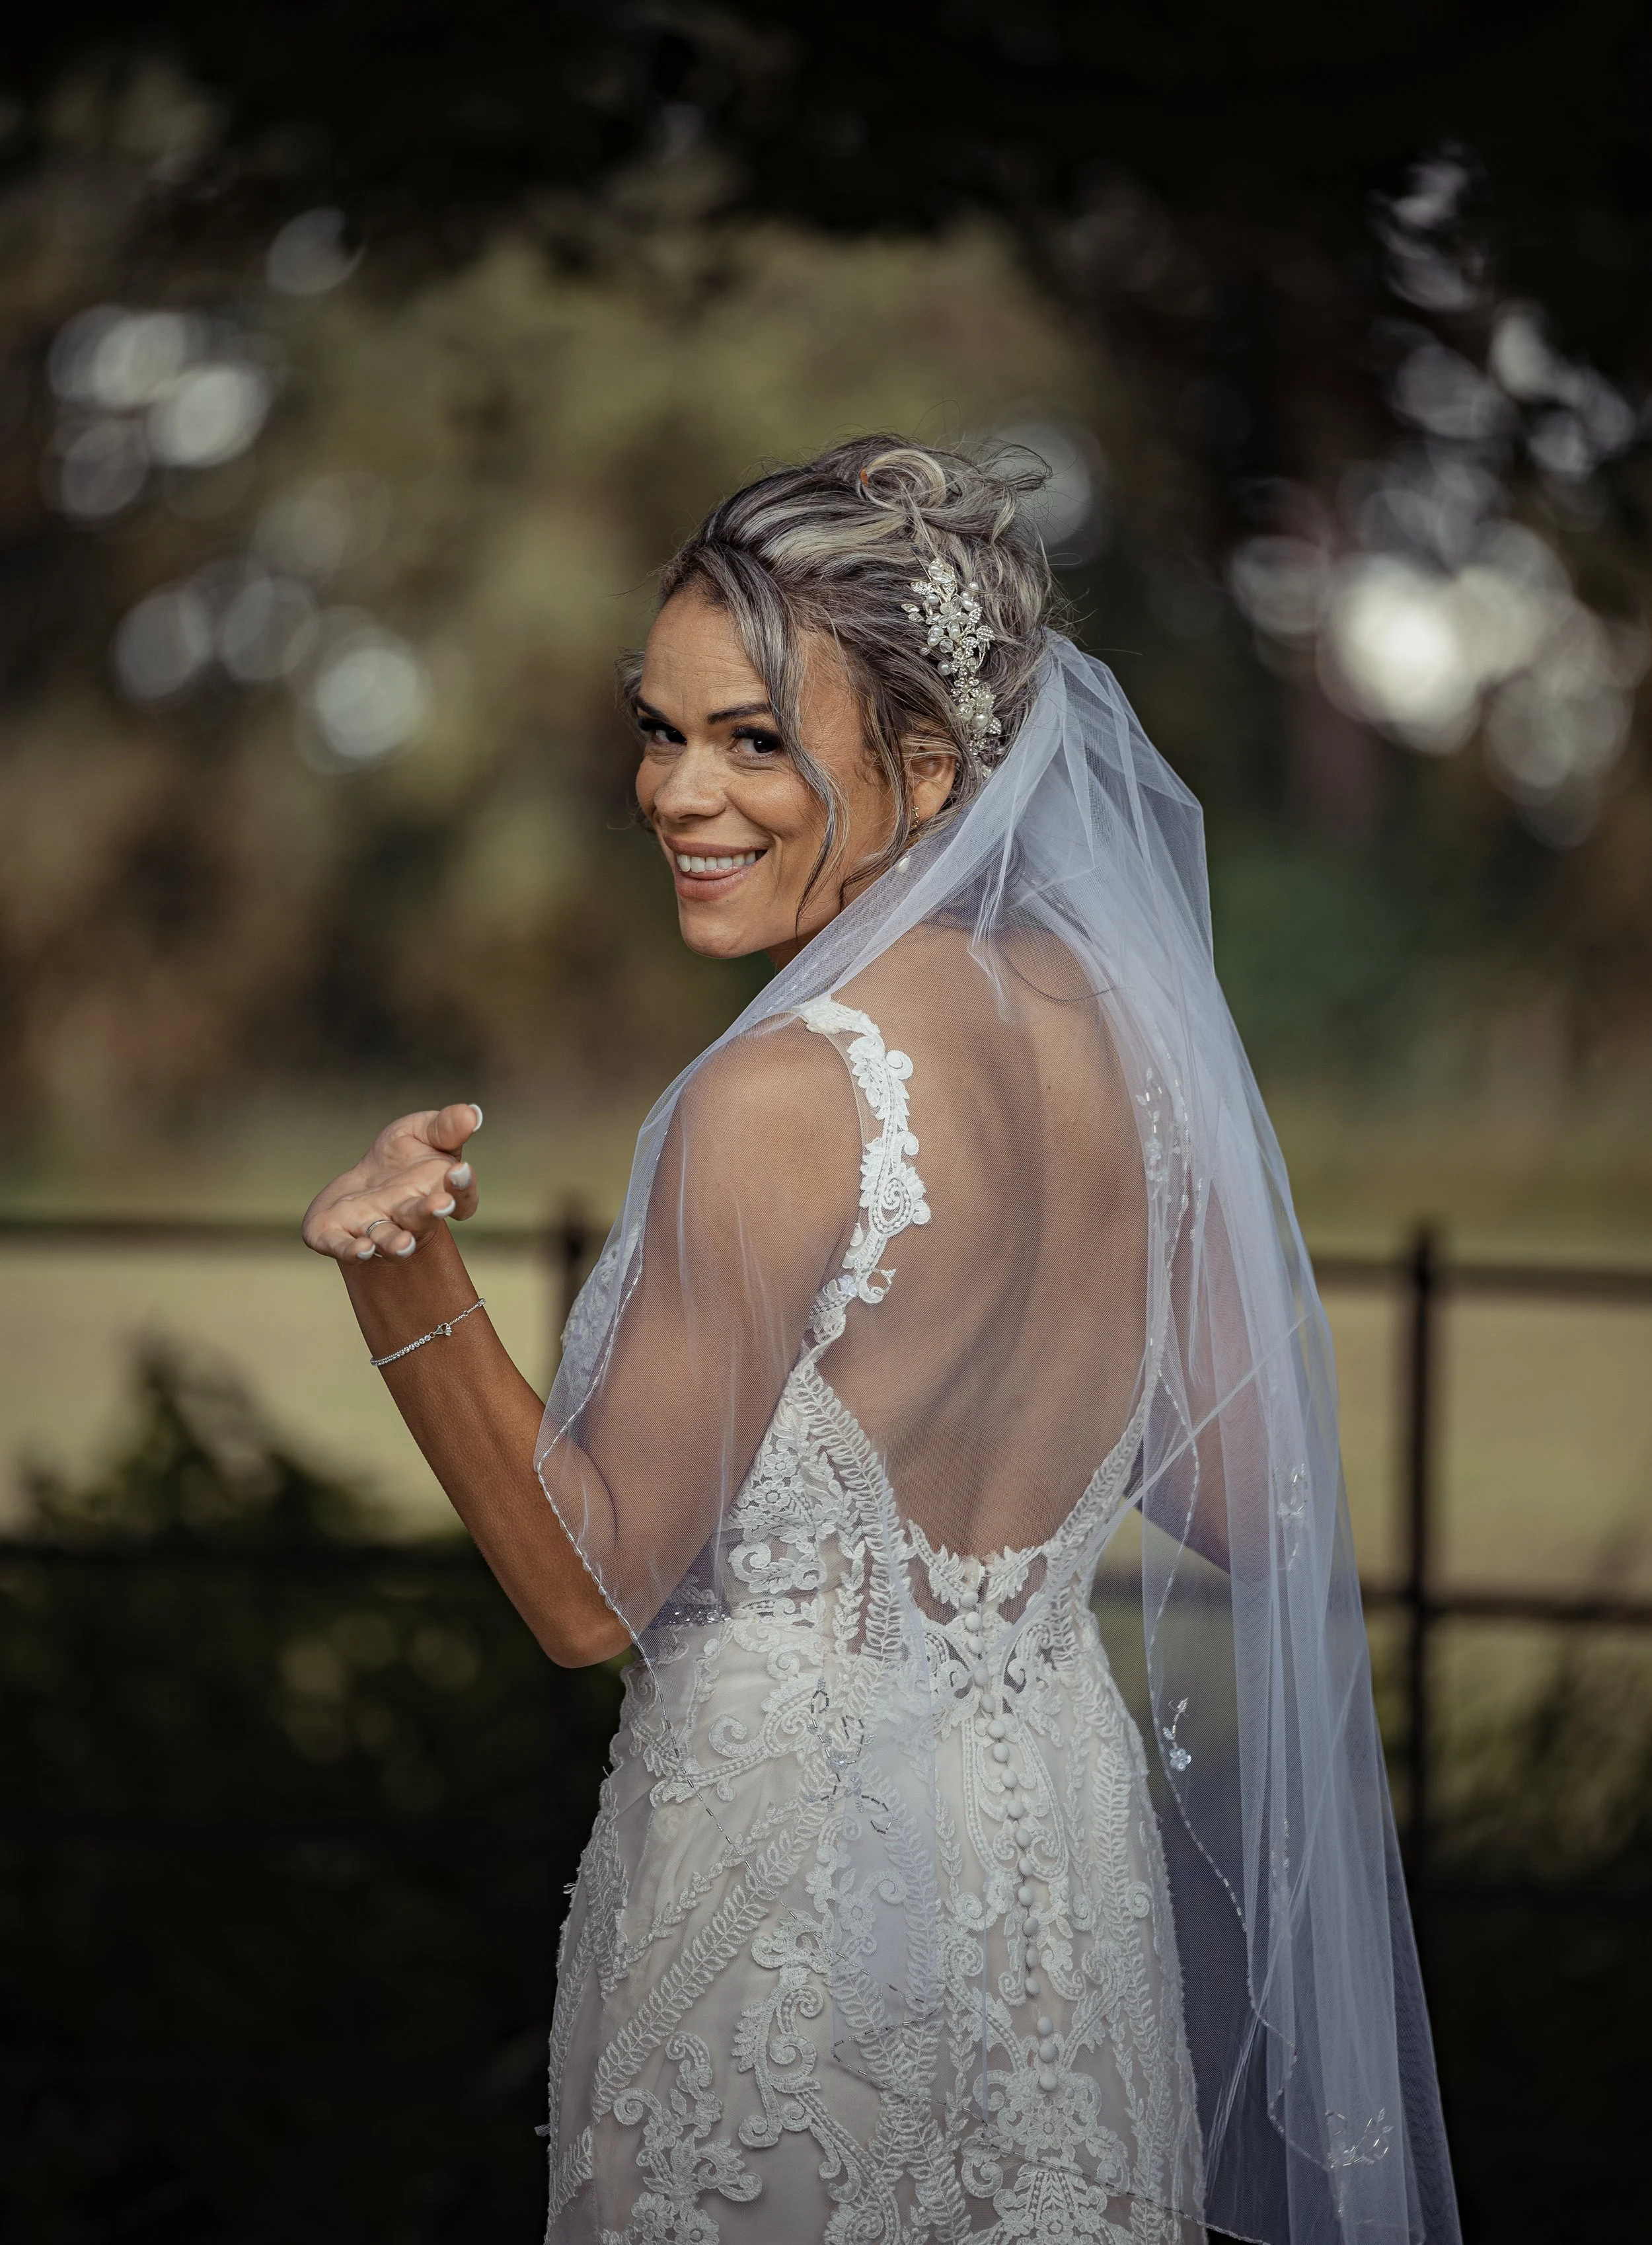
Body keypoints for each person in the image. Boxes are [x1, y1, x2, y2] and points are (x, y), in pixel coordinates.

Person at [303, 439, 1458, 2245]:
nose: (677, 791)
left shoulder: (774, 1099)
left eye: (756, 740)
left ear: (927, 770)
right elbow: (1254, 1506)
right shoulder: (1140, 1051)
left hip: (783, 1923)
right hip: (1056, 1900)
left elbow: (584, 1591)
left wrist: (402, 1277)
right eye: (661, 728)